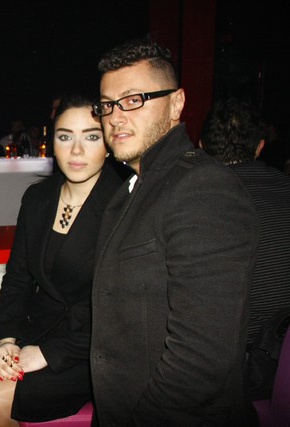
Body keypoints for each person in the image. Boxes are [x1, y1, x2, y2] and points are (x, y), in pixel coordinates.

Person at [89, 39, 259, 426]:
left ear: (176, 103)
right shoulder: (130, 190)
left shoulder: (204, 188)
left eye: (133, 100)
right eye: (107, 105)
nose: (115, 117)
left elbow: (201, 357)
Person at [0, 94, 123, 426]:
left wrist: (47, 354)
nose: (76, 150)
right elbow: (17, 279)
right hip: (32, 330)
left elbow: (124, 313)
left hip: (88, 352)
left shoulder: (125, 205)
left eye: (91, 137)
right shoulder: (38, 198)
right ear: (52, 143)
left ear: (109, 144)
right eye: (65, 137)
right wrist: (8, 339)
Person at [200, 97, 290, 399]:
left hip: (227, 372)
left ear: (201, 146)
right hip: (282, 360)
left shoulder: (191, 201)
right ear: (260, 147)